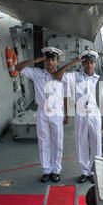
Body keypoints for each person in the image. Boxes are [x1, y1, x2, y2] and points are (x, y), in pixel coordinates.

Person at [15, 47, 68, 183]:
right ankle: (46, 170)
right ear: (44, 61)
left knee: (58, 142)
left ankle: (56, 170)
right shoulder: (36, 73)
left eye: (53, 59)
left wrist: (67, 114)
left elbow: (66, 97)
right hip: (42, 112)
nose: (50, 62)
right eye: (48, 59)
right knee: (43, 141)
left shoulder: (63, 76)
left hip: (57, 112)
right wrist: (36, 60)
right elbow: (18, 67)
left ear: (57, 61)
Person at [55, 50, 102, 184]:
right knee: (81, 142)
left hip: (95, 113)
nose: (89, 65)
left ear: (95, 64)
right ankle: (84, 171)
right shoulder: (75, 76)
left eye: (91, 62)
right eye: (86, 62)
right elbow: (58, 76)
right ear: (82, 64)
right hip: (81, 113)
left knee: (96, 144)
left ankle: (94, 172)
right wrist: (71, 63)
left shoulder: (99, 79)